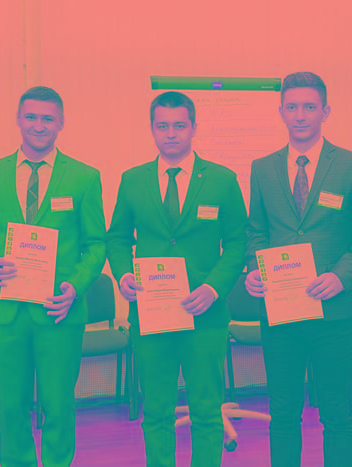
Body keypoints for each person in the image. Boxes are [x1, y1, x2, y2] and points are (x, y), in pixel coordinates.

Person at [244, 71, 352, 467]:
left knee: (337, 414)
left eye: (309, 107)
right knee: (283, 414)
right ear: (281, 112)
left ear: (325, 111)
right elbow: (255, 231)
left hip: (334, 313)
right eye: (292, 107)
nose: (300, 115)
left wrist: (342, 275)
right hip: (280, 313)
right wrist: (255, 268)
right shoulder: (263, 168)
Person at [0, 86, 106, 466]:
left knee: (58, 406)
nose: (38, 125)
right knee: (10, 407)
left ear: (61, 123)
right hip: (3, 312)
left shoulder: (84, 177)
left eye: (47, 118)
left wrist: (75, 287)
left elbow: (96, 245)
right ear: (18, 119)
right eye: (31, 117)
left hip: (58, 311)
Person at [106, 91, 247, 467]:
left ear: (194, 128)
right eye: (163, 126)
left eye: (179, 126)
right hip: (151, 316)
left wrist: (213, 288)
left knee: (206, 411)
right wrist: (123, 274)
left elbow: (238, 243)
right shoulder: (132, 180)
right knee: (156, 411)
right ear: (152, 128)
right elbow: (117, 238)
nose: (171, 134)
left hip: (205, 316)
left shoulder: (222, 180)